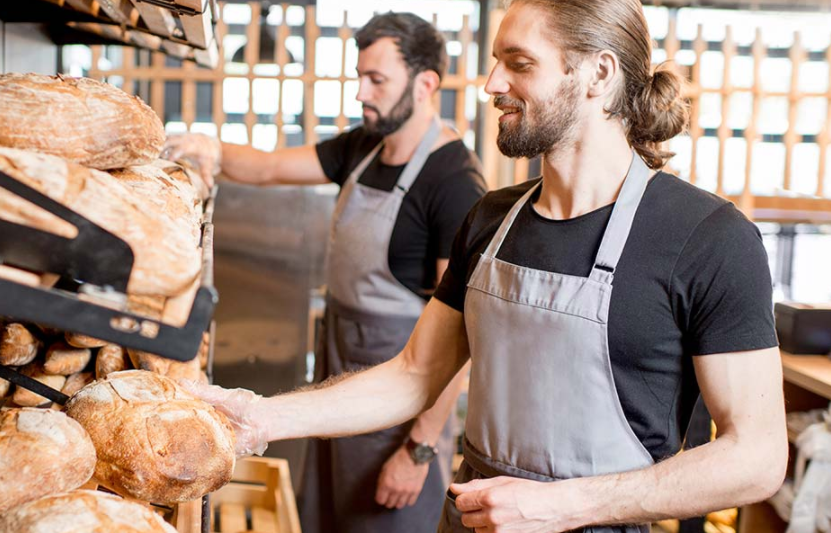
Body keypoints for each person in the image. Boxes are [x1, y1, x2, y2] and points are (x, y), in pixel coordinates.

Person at [180, 1, 788, 532]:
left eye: (519, 63)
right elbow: (415, 375)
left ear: (599, 74)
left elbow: (757, 457)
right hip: (469, 519)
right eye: (497, 62)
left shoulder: (709, 238)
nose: (493, 83)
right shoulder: (491, 220)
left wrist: (560, 506)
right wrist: (260, 417)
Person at [165, 12, 487, 533]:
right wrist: (212, 150)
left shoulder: (454, 183)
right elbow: (268, 168)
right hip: (337, 386)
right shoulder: (363, 147)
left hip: (397, 414)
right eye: (360, 76)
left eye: (376, 80)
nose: (361, 92)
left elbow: (460, 338)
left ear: (425, 84)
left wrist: (419, 450)